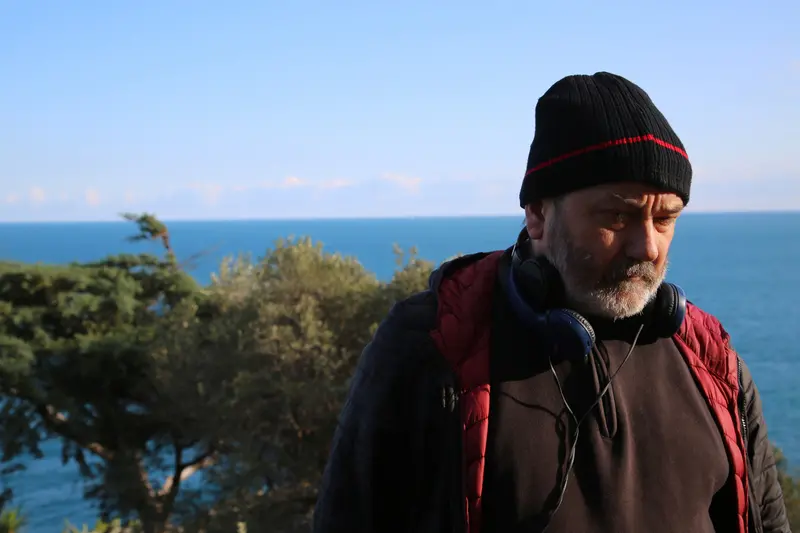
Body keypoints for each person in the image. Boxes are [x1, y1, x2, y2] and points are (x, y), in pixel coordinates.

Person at [312, 72, 791, 533]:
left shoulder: (712, 359)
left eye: (665, 220)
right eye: (617, 216)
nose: (647, 247)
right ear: (538, 214)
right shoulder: (432, 344)